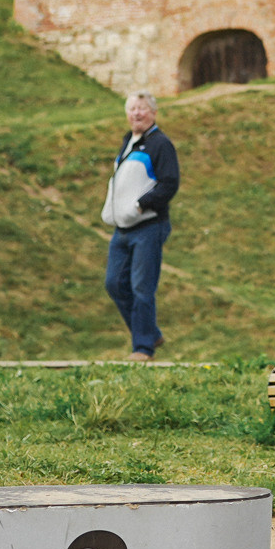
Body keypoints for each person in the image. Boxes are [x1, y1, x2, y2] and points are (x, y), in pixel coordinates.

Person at [102, 92, 178, 361]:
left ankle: (143, 348)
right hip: (122, 228)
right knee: (114, 283)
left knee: (141, 287)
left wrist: (140, 205)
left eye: (142, 109)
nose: (137, 114)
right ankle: (151, 332)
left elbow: (169, 183)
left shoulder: (160, 144)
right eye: (132, 109)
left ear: (153, 113)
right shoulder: (129, 141)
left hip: (148, 225)